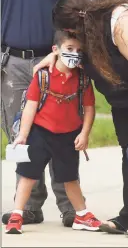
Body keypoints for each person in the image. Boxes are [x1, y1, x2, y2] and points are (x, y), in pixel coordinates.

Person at [34, 0, 128, 237]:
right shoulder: (86, 30)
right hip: (125, 95)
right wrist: (55, 56)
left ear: (76, 24)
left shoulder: (123, 20)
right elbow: (70, 49)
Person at [1, 0, 91, 226]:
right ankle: (28, 207)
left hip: (55, 58)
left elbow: (84, 9)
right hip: (11, 60)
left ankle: (71, 208)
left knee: (62, 132)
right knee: (21, 135)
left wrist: (61, 51)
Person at [5, 30, 101, 234]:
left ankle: (81, 215)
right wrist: (23, 134)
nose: (74, 54)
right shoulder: (42, 75)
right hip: (40, 132)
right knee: (28, 175)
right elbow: (30, 106)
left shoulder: (83, 79)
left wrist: (84, 134)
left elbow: (90, 108)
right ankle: (17, 214)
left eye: (78, 50)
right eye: (69, 49)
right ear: (55, 50)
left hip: (68, 135)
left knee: (69, 178)